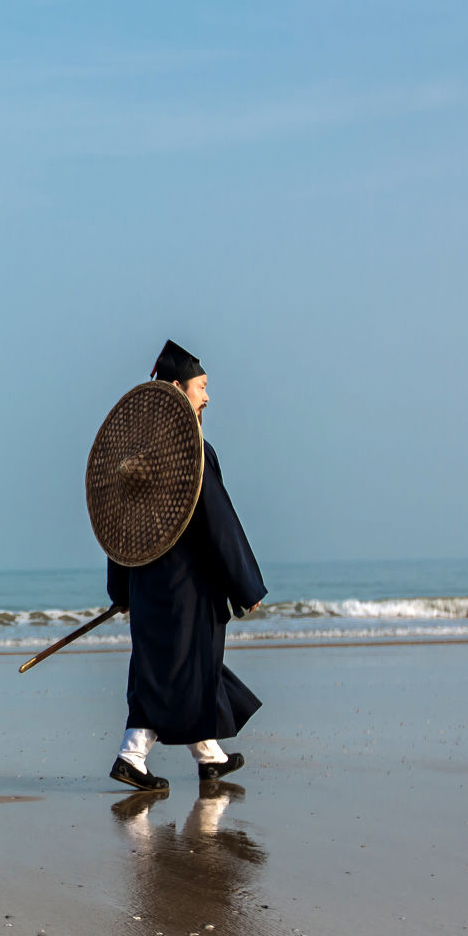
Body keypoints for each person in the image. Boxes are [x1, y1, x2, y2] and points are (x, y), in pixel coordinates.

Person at [106, 340, 267, 793]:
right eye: (201, 387)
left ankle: (208, 754)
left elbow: (117, 526)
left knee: (169, 667)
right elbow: (219, 522)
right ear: (177, 389)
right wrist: (245, 584)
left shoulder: (134, 455)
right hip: (186, 587)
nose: (207, 397)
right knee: (182, 668)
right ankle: (131, 755)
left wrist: (121, 588)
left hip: (147, 583)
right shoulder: (190, 450)